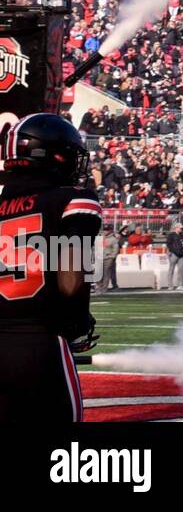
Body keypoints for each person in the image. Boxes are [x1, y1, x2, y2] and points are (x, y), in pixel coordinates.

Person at [0, 114, 102, 422]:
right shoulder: (72, 200)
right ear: (51, 156)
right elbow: (70, 283)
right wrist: (78, 323)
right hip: (39, 344)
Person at [166, 222, 183, 289]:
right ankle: (170, 285)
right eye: (180, 228)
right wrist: (173, 251)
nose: (181, 229)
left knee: (181, 270)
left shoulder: (181, 235)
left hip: (181, 255)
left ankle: (180, 285)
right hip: (174, 254)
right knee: (171, 270)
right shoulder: (171, 235)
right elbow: (168, 244)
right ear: (176, 227)